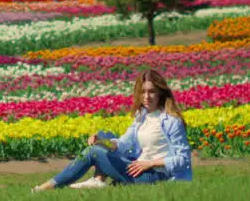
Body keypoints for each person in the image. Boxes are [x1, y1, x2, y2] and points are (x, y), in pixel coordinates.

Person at [32, 69, 193, 192]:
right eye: (143, 92)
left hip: (153, 175)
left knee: (93, 152)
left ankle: (47, 187)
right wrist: (102, 142)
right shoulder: (142, 116)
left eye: (151, 92)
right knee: (103, 136)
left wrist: (149, 163)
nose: (146, 97)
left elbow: (183, 159)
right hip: (137, 166)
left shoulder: (171, 121)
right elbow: (123, 143)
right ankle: (98, 180)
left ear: (160, 93)